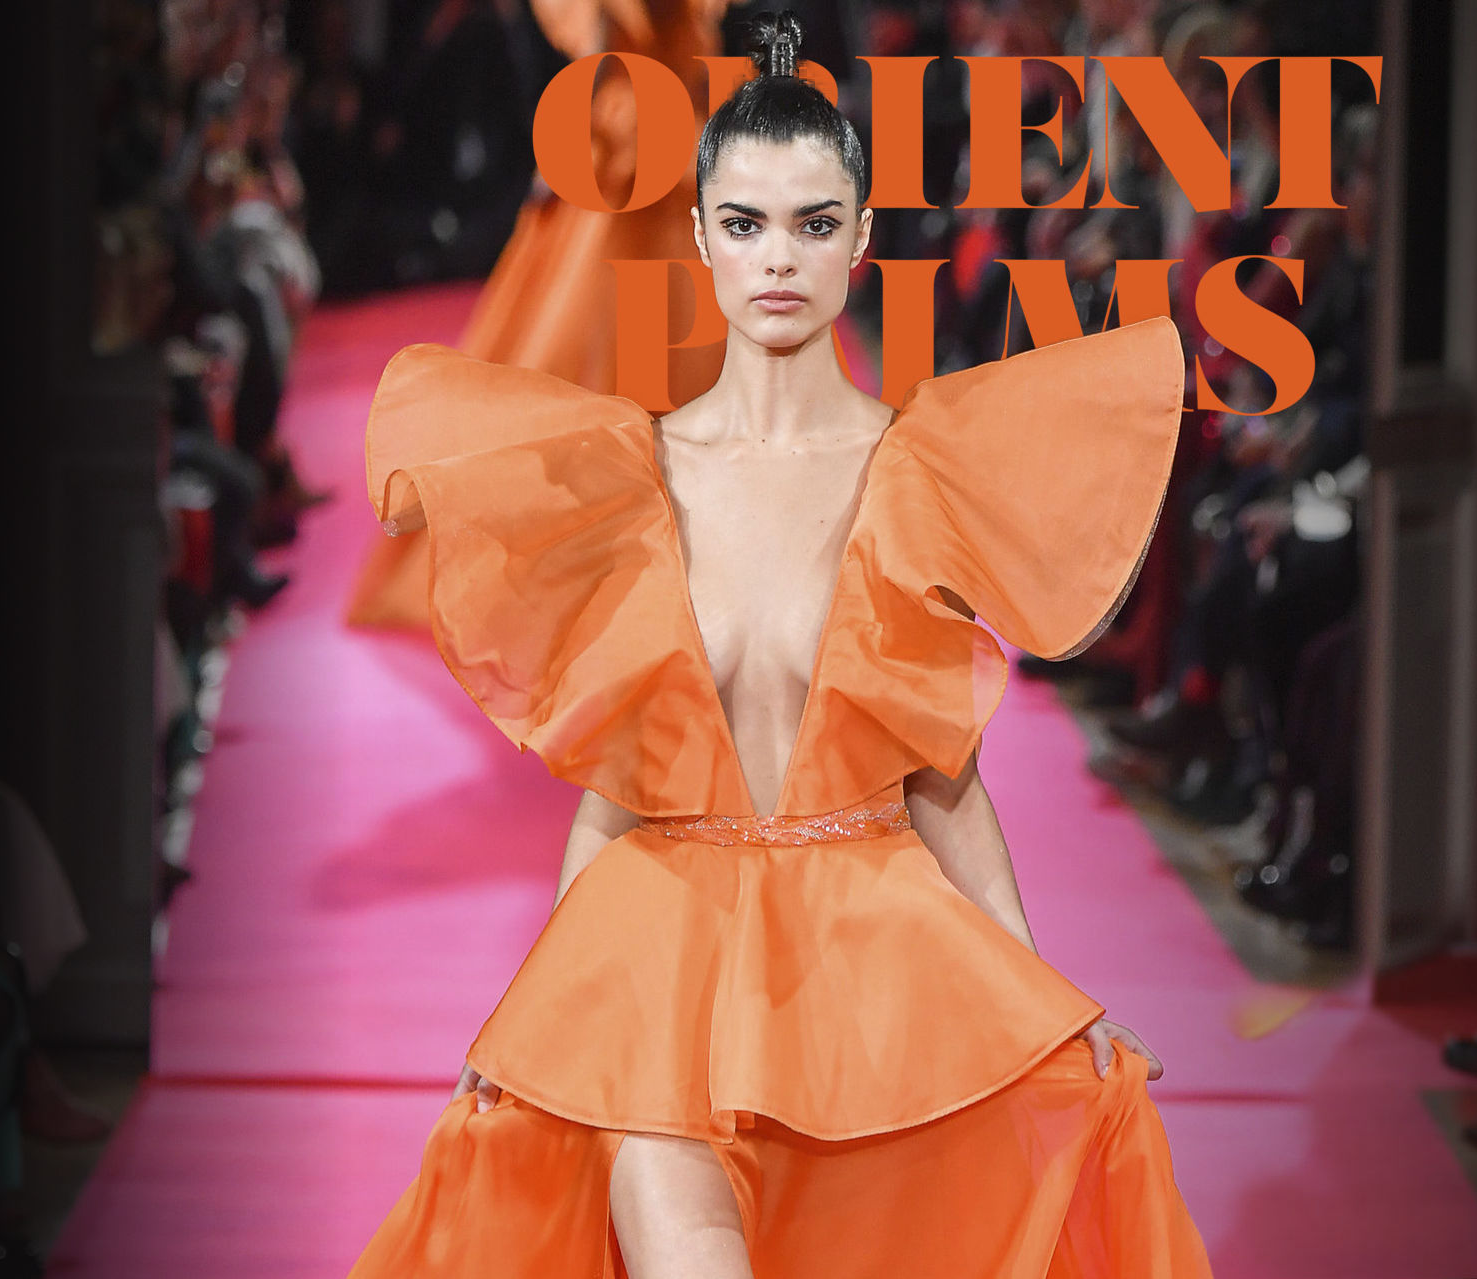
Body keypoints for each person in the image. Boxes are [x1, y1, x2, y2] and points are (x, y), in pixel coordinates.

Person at [345, 14, 1212, 1277]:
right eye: (746, 223)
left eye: (814, 224)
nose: (778, 260)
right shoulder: (629, 475)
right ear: (700, 236)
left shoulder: (916, 473)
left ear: (861, 239)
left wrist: (1033, 1003)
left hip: (867, 978)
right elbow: (614, 792)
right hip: (660, 976)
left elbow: (943, 776)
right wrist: (543, 1021)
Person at [344, 0, 730, 630]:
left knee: (583, 349)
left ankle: (613, 541)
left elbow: (600, 63)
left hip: (633, 152)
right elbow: (689, 64)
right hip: (670, 153)